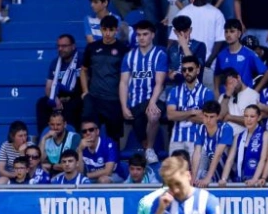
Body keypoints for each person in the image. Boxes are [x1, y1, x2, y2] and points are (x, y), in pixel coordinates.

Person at [119, 20, 168, 164]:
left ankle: (150, 149)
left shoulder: (160, 55)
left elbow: (159, 83)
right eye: (138, 34)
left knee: (153, 114)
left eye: (145, 34)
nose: (141, 37)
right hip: (135, 103)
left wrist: (152, 102)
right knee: (140, 131)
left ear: (152, 35)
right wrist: (123, 106)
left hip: (154, 99)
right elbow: (123, 83)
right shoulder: (129, 56)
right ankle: (145, 148)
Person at [81, 15, 129, 141]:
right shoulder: (92, 47)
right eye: (104, 29)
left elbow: (127, 76)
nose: (107, 33)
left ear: (116, 30)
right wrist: (85, 91)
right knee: (89, 134)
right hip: (94, 98)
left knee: (114, 138)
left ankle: (114, 161)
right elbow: (83, 70)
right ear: (100, 29)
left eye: (111, 30)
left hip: (114, 100)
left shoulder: (123, 50)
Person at [167, 55, 214, 156]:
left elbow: (207, 119)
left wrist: (180, 115)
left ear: (198, 70)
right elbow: (170, 115)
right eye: (184, 70)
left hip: (198, 141)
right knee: (175, 172)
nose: (187, 72)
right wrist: (192, 112)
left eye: (190, 69)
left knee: (198, 172)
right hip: (177, 140)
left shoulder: (207, 93)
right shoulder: (174, 92)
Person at [37, 34, 83, 135]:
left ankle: (71, 139)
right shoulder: (55, 63)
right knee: (41, 103)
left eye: (64, 46)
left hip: (76, 96)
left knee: (73, 106)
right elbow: (48, 87)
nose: (60, 49)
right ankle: (44, 137)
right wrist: (55, 99)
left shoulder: (81, 60)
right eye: (58, 46)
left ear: (73, 46)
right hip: (59, 96)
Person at [214, 19, 268, 98]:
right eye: (226, 31)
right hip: (226, 95)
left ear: (239, 34)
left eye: (232, 31)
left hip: (245, 97)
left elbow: (267, 73)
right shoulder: (221, 55)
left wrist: (255, 91)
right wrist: (216, 91)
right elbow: (217, 74)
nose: (228, 34)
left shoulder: (249, 54)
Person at [219, 104, 268, 186]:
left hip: (256, 180)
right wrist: (224, 179)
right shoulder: (238, 136)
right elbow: (230, 160)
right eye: (246, 116)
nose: (248, 119)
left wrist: (254, 179)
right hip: (239, 178)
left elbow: (263, 159)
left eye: (252, 116)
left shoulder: (265, 134)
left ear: (259, 118)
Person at [192, 99, 235, 186]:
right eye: (206, 116)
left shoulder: (226, 129)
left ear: (218, 116)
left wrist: (207, 178)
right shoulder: (200, 129)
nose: (208, 120)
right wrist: (193, 177)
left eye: (211, 117)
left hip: (228, 175)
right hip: (213, 174)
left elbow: (218, 154)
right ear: (202, 115)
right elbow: (197, 154)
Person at [218, 67, 261, 137]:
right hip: (223, 136)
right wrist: (228, 95)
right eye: (227, 85)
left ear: (238, 78)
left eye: (232, 82)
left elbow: (251, 120)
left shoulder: (253, 95)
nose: (231, 86)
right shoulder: (224, 96)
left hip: (243, 137)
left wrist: (229, 117)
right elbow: (220, 116)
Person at [77, 118, 120, 183]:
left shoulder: (108, 144)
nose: (88, 133)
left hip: (113, 175)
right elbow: (79, 172)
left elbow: (108, 171)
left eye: (91, 130)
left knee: (103, 180)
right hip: (90, 177)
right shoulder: (81, 146)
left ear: (97, 132)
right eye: (84, 131)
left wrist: (85, 176)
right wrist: (79, 151)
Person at [0, 120, 32, 184]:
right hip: (11, 176)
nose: (24, 139)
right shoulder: (5, 146)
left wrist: (22, 153)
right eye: (20, 136)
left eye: (25, 135)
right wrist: (14, 175)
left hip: (27, 177)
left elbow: (30, 168)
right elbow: (0, 171)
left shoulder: (30, 146)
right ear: (12, 136)